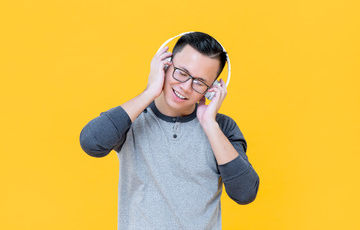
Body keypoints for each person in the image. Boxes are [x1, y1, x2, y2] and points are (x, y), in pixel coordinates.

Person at [79, 32, 259, 230]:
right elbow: (91, 142)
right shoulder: (133, 117)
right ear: (165, 65)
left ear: (212, 89)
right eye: (181, 72)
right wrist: (149, 92)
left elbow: (245, 193)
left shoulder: (221, 128)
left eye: (200, 82)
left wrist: (209, 124)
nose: (186, 87)